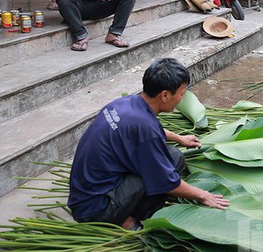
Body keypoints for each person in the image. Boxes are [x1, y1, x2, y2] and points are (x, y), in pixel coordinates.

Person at [68, 58, 230, 230]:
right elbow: (167, 182)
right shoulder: (144, 128)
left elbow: (145, 131)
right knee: (168, 165)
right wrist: (204, 196)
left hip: (82, 196)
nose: (182, 99)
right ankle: (125, 220)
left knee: (173, 155)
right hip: (96, 210)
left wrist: (179, 138)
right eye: (181, 94)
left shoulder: (126, 103)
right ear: (165, 95)